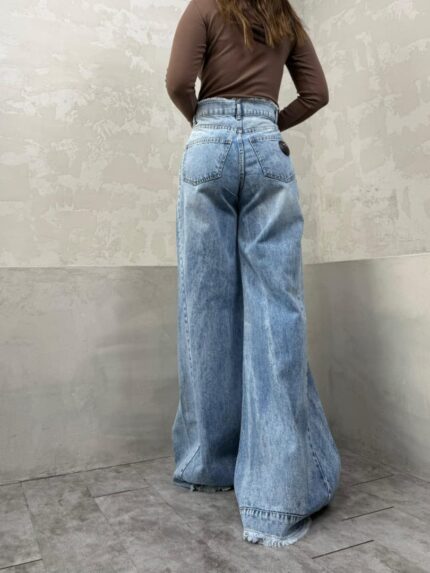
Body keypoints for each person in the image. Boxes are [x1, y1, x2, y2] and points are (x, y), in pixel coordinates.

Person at [165, 0, 341, 548]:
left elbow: (178, 82)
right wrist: (266, 123)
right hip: (268, 148)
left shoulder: (204, 6)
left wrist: (206, 122)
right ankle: (276, 498)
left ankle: (209, 465)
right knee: (277, 313)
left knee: (205, 308)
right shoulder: (285, 16)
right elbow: (316, 93)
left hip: (208, 147)